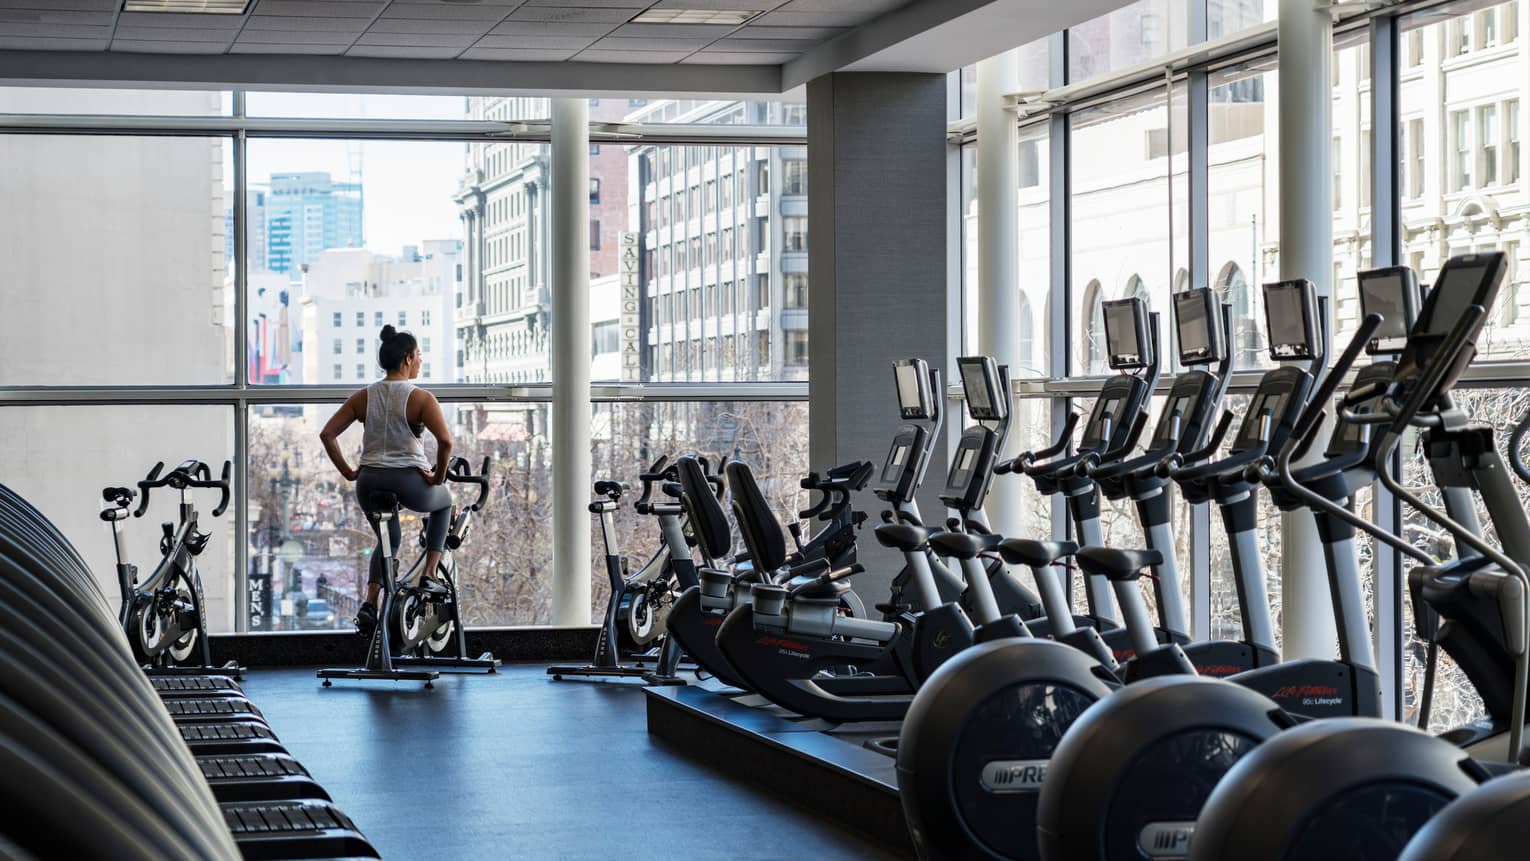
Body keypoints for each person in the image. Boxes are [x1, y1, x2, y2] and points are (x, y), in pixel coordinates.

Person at [319, 325, 453, 637]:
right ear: (407, 359)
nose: (420, 361)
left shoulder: (364, 396)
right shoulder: (421, 398)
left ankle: (370, 603)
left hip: (368, 482)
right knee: (445, 502)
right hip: (408, 479)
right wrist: (438, 476)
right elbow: (446, 442)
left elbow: (327, 434)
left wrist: (349, 472)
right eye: (418, 356)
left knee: (388, 540)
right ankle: (430, 574)